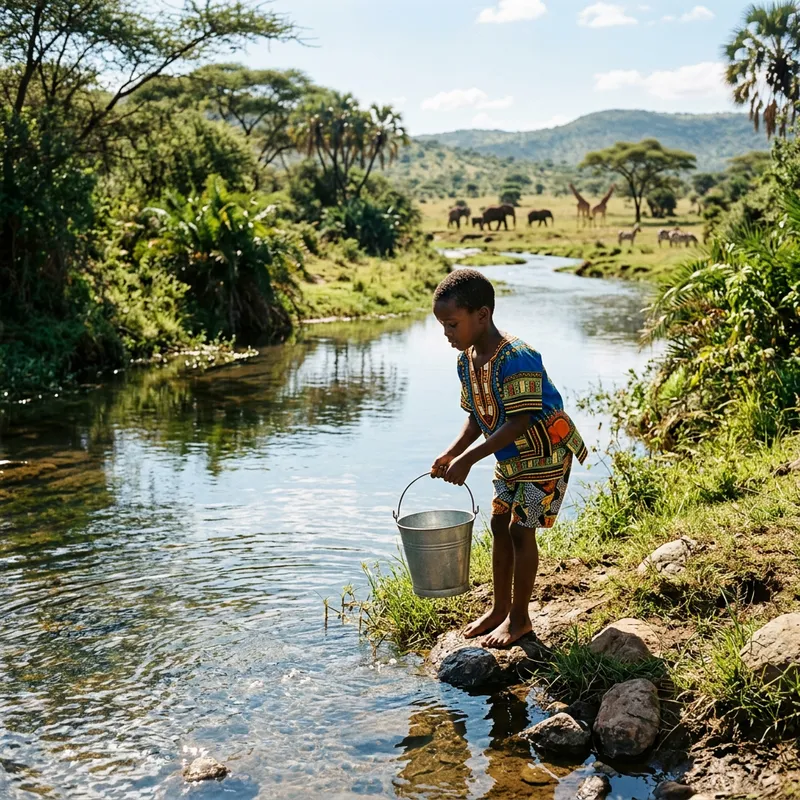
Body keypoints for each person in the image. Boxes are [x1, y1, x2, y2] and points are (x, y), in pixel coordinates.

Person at [430, 269, 587, 647]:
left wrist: (469, 460)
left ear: (481, 315)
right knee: (500, 525)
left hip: (545, 453)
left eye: (452, 324)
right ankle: (500, 609)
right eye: (443, 326)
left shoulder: (518, 357)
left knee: (521, 529)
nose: (447, 334)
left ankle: (520, 620)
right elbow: (475, 416)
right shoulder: (466, 361)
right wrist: (452, 452)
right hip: (511, 459)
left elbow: (519, 421)